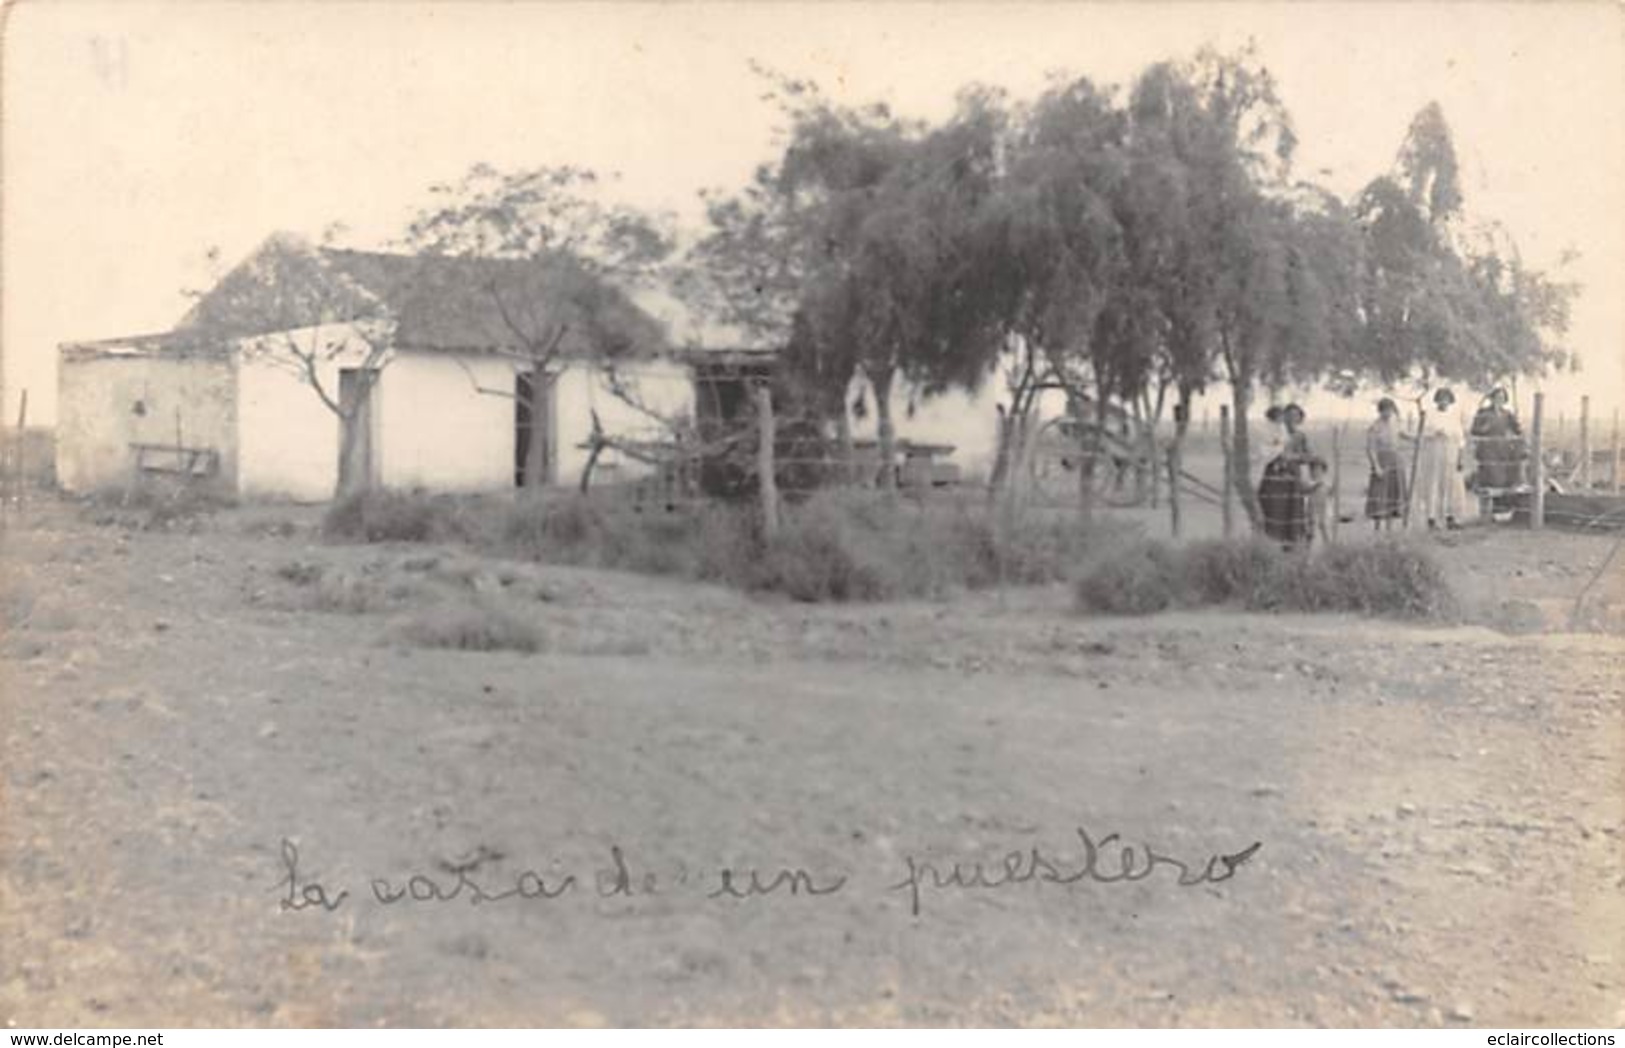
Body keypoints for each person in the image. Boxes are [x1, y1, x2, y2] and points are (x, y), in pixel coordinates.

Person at [1410, 387, 1469, 531]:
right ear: (1437, 400)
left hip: (1451, 453)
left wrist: (1460, 459)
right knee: (1433, 484)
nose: (1444, 402)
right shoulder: (1429, 414)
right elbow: (1423, 434)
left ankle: (1450, 517)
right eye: (1441, 398)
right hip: (1434, 452)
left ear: (1450, 400)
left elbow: (1461, 440)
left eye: (1447, 399)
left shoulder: (1454, 416)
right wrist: (1434, 433)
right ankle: (1432, 518)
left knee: (1450, 485)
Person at [1258, 403, 1315, 548]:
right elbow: (1265, 452)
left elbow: (1308, 456)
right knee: (1274, 510)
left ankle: (1292, 545)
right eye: (1288, 416)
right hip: (1274, 477)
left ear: (1300, 419)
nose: (1291, 419)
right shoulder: (1274, 432)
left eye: (1296, 416)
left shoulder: (1300, 436)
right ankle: (1270, 544)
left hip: (1292, 478)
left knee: (1293, 510)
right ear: (1283, 417)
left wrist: (1293, 457)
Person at [1470, 386, 1526, 515]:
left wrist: (1518, 431)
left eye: (1502, 398)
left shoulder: (1507, 414)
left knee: (1506, 479)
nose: (1499, 400)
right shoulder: (1483, 412)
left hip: (1503, 449)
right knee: (1493, 480)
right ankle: (1489, 511)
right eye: (1496, 397)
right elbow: (1474, 430)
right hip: (1488, 449)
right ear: (1492, 398)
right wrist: (1484, 428)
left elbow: (1518, 429)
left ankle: (1502, 510)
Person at [1365, 397, 1407, 530]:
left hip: (1395, 460)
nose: (1387, 413)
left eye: (1390, 410)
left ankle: (1390, 527)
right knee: (1380, 494)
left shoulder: (1395, 423)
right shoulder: (1374, 427)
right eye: (1385, 410)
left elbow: (1403, 434)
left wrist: (1417, 439)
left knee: (1393, 493)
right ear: (1380, 411)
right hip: (1382, 461)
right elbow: (1370, 448)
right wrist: (1376, 466)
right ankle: (1377, 527)